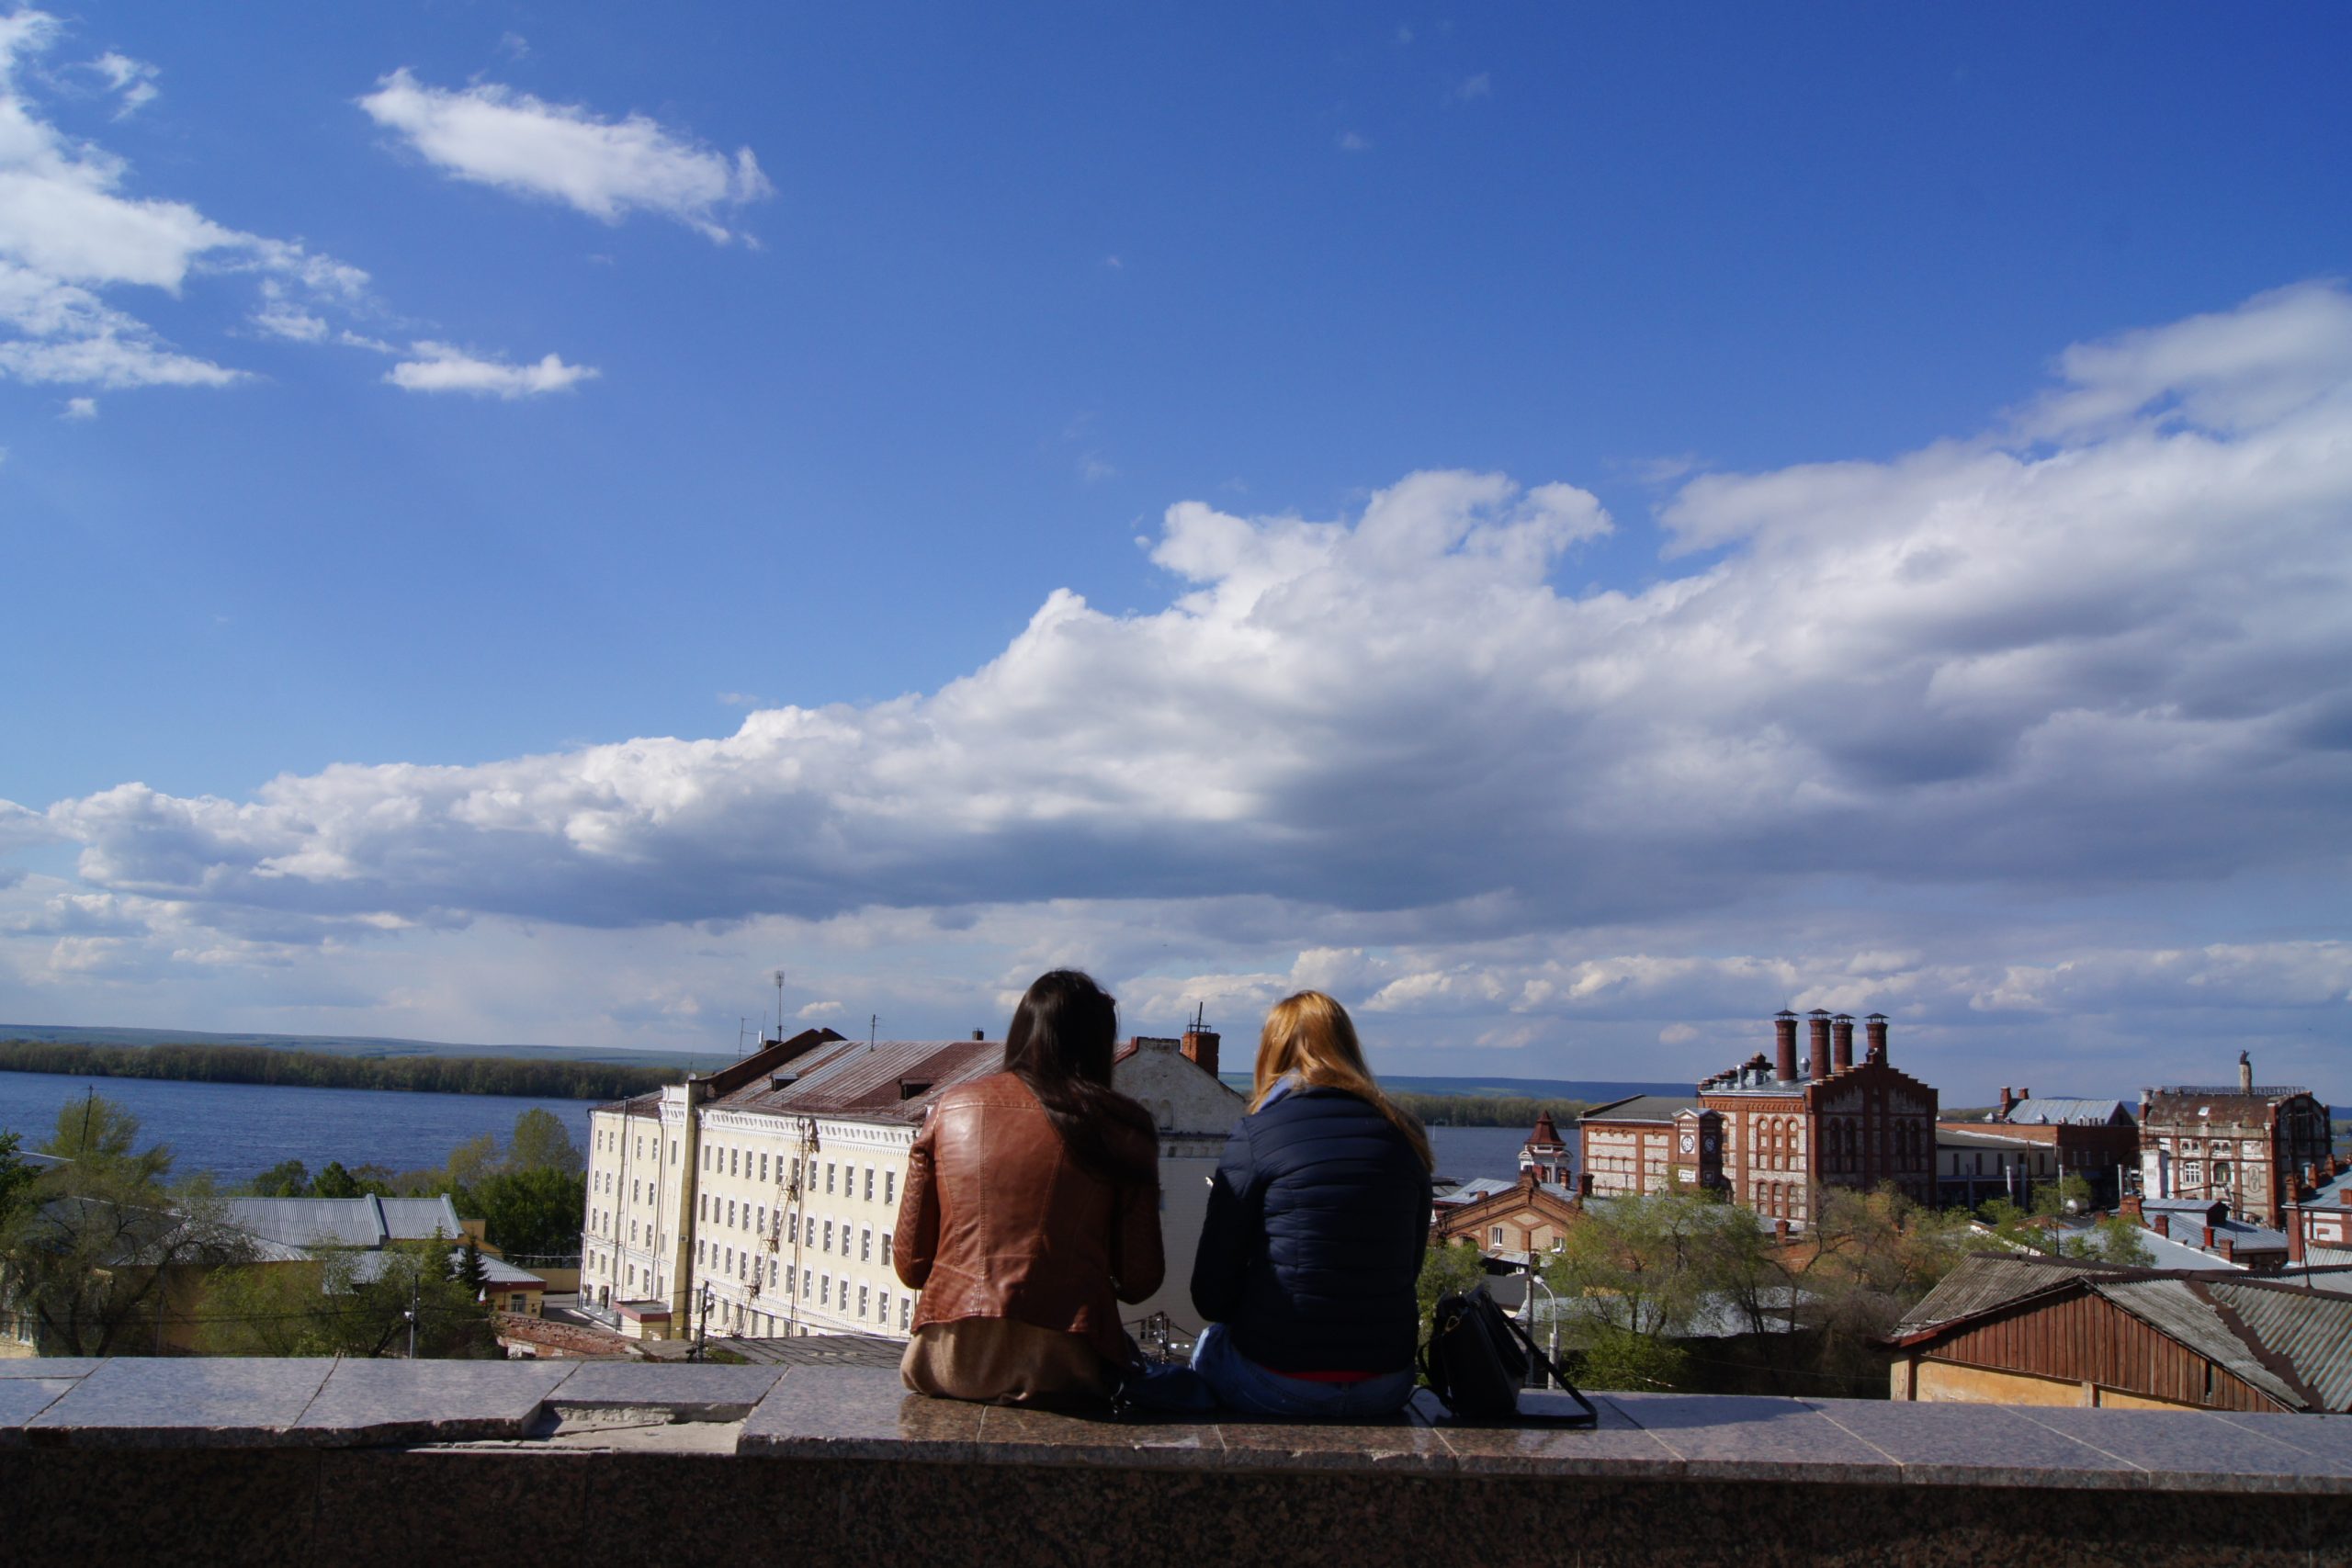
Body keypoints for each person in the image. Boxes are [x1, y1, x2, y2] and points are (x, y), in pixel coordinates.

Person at [893, 969, 1165, 1404]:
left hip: (948, 1362)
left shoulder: (951, 1109)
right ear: (1098, 1043)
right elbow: (1140, 1279)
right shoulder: (1122, 1125)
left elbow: (910, 1266)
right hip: (1065, 1364)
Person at [1188, 989, 1433, 1418]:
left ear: (1271, 1052)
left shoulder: (1257, 1135)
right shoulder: (1404, 1134)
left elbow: (1210, 1295)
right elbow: (1407, 1269)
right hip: (1386, 1382)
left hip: (1276, 1381)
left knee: (1210, 1345)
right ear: (1348, 1049)